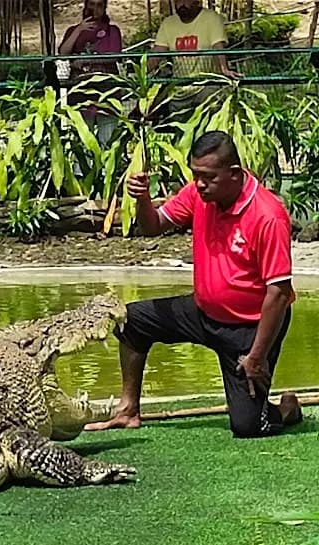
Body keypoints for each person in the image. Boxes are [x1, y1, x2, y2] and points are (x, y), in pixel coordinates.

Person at [85, 132, 302, 438]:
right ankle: (128, 410)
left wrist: (256, 356)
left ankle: (286, 409)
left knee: (248, 426)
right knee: (129, 320)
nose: (199, 184)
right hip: (202, 312)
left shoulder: (268, 216)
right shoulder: (199, 195)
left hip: (249, 327)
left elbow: (278, 294)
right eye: (195, 175)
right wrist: (143, 199)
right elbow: (154, 227)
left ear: (234, 174)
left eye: (207, 177)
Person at [150, 0, 240, 111]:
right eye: (178, 1)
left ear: (197, 2)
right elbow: (157, 52)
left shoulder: (211, 18)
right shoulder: (168, 23)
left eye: (186, 0)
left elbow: (218, 45)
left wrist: (224, 69)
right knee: (174, 114)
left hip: (207, 83)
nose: (182, 4)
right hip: (180, 86)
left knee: (212, 105)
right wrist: (142, 72)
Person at [58, 0, 122, 145]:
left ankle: (108, 168)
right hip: (80, 93)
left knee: (108, 141)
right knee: (82, 141)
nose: (95, 9)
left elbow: (115, 55)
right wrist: (79, 30)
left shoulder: (112, 31)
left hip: (106, 93)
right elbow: (63, 53)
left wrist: (84, 61)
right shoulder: (73, 30)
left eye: (99, 5)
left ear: (104, 8)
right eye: (92, 4)